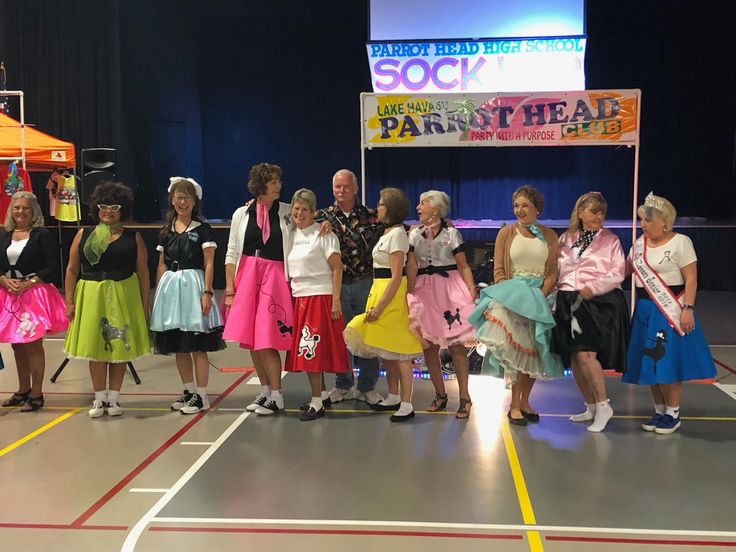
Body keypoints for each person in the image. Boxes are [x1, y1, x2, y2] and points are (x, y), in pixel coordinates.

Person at [468, 185, 564, 426]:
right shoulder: (507, 233)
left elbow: (552, 271)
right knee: (515, 352)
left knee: (534, 352)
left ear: (537, 209)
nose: (519, 210)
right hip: (512, 296)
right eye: (516, 206)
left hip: (538, 297)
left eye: (525, 205)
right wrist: (510, 295)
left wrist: (541, 294)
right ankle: (514, 406)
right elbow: (499, 270)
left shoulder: (550, 236)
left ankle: (525, 401)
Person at [623, 192, 715, 434]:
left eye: (648, 220)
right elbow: (624, 271)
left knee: (667, 362)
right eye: (641, 219)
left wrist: (688, 309)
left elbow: (691, 278)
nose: (643, 224)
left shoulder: (680, 242)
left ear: (664, 221)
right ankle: (659, 410)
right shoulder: (638, 245)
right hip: (645, 309)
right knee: (649, 362)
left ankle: (673, 413)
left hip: (670, 309)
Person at [64, 182, 152, 418]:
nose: (108, 211)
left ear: (122, 209)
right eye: (104, 206)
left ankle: (114, 399)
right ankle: (99, 398)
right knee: (96, 349)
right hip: (91, 295)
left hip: (124, 294)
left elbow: (143, 273)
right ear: (97, 208)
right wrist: (70, 301)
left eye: (114, 206)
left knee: (117, 349)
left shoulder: (133, 237)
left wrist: (145, 305)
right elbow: (72, 270)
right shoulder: (84, 234)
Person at [343, 187, 423, 422]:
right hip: (379, 291)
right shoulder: (387, 233)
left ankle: (407, 404)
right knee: (387, 351)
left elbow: (397, 276)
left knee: (401, 353)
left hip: (392, 296)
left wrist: (380, 306)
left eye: (380, 204)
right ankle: (394, 395)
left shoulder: (398, 234)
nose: (377, 207)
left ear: (390, 209)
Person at [552, 192, 629, 432]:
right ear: (580, 212)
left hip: (597, 302)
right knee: (574, 358)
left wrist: (592, 288)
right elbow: (558, 271)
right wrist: (556, 297)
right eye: (594, 211)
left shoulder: (611, 240)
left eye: (602, 212)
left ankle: (604, 405)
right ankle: (591, 406)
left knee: (586, 355)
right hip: (568, 300)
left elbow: (618, 272)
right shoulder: (566, 238)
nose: (599, 216)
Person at [223, 162, 294, 416]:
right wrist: (230, 289)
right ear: (261, 184)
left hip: (274, 276)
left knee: (267, 337)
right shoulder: (241, 214)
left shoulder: (287, 212)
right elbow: (232, 251)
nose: (279, 186)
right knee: (251, 340)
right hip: (247, 275)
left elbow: (307, 226)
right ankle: (265, 390)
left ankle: (277, 394)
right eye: (274, 182)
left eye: (279, 181)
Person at [150, 177, 225, 415]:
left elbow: (210, 263)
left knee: (196, 345)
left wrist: (207, 292)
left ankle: (202, 396)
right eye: (178, 197)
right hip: (171, 291)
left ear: (195, 201)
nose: (182, 202)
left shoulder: (203, 230)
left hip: (193, 287)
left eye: (187, 198)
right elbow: (161, 264)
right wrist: (159, 292)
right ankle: (189, 391)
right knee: (179, 346)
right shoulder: (166, 231)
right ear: (172, 200)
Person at [406, 190, 476, 419]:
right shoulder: (415, 235)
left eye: (423, 203)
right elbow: (412, 265)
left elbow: (463, 265)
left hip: (449, 290)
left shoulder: (451, 234)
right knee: (429, 346)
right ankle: (440, 393)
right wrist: (409, 291)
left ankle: (464, 397)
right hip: (425, 291)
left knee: (456, 345)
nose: (418, 207)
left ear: (435, 209)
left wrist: (471, 289)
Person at [315, 169, 382, 405]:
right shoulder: (322, 217)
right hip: (337, 286)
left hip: (365, 283)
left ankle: (367, 387)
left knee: (367, 336)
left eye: (346, 187)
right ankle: (343, 385)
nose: (341, 191)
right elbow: (292, 219)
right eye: (337, 187)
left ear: (355, 188)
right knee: (341, 337)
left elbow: (397, 224)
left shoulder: (371, 216)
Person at [284, 188, 349, 421]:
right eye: (296, 208)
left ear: (313, 212)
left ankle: (316, 403)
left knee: (311, 351)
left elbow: (337, 268)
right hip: (298, 297)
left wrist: (335, 300)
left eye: (304, 209)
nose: (299, 213)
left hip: (319, 296)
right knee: (307, 351)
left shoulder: (323, 235)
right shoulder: (289, 233)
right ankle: (321, 396)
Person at [0, 191, 68, 411]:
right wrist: (3, 279)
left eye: (25, 208)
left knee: (32, 344)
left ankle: (37, 393)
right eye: (17, 207)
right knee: (17, 344)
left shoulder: (41, 235)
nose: (20, 211)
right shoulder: (4, 235)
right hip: (9, 293)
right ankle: (22, 390)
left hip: (33, 294)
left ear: (34, 212)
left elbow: (52, 266)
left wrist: (31, 281)